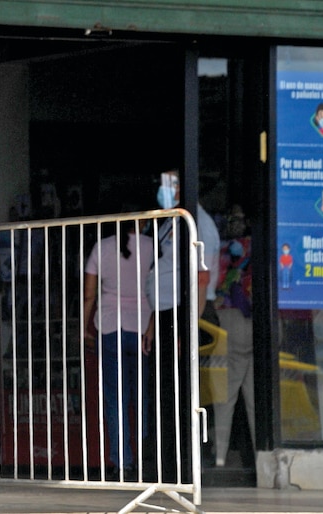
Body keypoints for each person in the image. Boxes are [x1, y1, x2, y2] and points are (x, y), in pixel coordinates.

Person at [143, 169, 219, 483]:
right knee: (165, 392)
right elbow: (159, 271)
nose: (164, 190)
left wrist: (187, 327)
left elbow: (201, 282)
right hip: (164, 314)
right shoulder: (172, 220)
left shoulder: (199, 225)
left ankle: (191, 466)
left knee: (185, 392)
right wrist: (151, 320)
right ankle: (168, 464)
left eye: (170, 185)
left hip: (187, 314)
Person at [83, 213, 153, 480]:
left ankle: (122, 461)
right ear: (142, 221)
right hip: (143, 327)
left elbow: (90, 293)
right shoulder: (151, 245)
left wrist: (82, 327)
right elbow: (159, 288)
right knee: (144, 397)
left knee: (116, 400)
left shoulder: (101, 247)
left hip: (110, 327)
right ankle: (148, 455)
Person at [213, 204, 255, 467]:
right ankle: (262, 453)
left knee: (225, 395)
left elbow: (214, 286)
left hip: (230, 320)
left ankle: (219, 456)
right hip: (258, 322)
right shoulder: (258, 246)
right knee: (255, 396)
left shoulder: (224, 250)